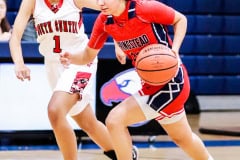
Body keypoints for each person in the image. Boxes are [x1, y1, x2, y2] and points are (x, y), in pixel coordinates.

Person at [60, 0, 215, 160]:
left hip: (172, 82)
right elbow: (88, 55)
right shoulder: (104, 20)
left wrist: (174, 50)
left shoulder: (145, 8)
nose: (100, 3)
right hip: (152, 83)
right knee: (183, 138)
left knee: (115, 120)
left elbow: (181, 19)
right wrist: (72, 58)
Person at [8, 0, 137, 159]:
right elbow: (15, 37)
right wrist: (19, 64)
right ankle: (125, 154)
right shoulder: (32, 2)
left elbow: (110, 9)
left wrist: (118, 42)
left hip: (81, 62)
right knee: (87, 122)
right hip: (53, 66)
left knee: (55, 111)